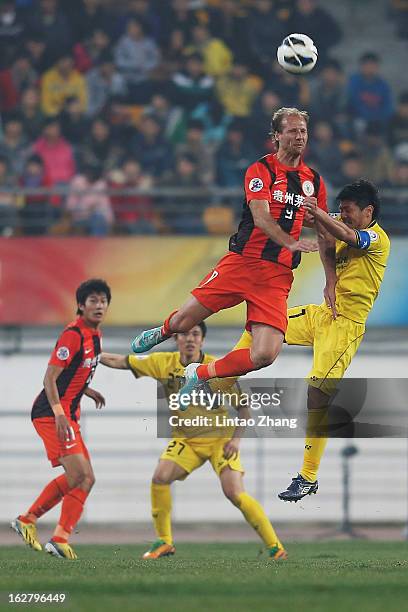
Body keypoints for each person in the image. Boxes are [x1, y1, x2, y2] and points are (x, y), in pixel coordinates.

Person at [131, 107, 327, 399]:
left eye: (303, 131)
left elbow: (320, 226)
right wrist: (290, 241)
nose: (299, 137)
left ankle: (200, 373)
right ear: (277, 136)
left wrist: (331, 280)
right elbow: (260, 217)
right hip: (241, 263)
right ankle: (162, 331)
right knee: (184, 322)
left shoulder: (314, 180)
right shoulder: (261, 170)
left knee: (265, 354)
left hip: (276, 276)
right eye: (292, 131)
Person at [234, 179, 390, 501]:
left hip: (345, 326)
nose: (343, 216)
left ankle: (307, 476)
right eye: (341, 211)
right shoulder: (342, 219)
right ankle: (218, 381)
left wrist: (318, 213)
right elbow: (323, 233)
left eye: (348, 211)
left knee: (317, 395)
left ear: (368, 211)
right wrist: (330, 277)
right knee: (262, 323)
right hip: (323, 314)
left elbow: (345, 234)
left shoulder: (376, 238)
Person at [101, 322, 287, 560]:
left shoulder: (216, 368)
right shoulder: (162, 363)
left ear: (202, 340)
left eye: (195, 334)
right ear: (176, 340)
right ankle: (164, 542)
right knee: (160, 477)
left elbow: (244, 409)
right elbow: (122, 362)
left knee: (234, 493)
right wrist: (92, 356)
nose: (190, 339)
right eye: (184, 334)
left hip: (220, 440)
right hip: (186, 441)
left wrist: (236, 441)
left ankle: (275, 547)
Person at [11, 279, 111, 560]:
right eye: (93, 300)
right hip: (51, 414)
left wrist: (86, 390)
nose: (99, 305)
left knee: (87, 478)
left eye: (103, 300)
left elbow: (74, 372)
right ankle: (27, 519)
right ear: (81, 305)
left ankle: (59, 538)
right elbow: (50, 377)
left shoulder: (96, 335)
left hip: (68, 414)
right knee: (78, 475)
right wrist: (59, 414)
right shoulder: (73, 334)